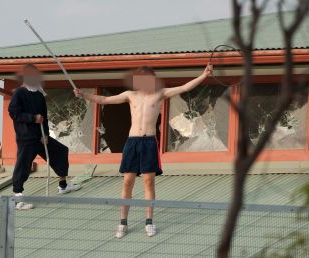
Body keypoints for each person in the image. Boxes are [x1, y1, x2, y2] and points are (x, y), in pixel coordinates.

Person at [74, 64, 213, 238]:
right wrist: (84, 95)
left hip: (149, 142)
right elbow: (104, 100)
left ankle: (149, 222)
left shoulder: (159, 94)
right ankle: (123, 223)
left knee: (149, 182)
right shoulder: (130, 95)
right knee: (127, 182)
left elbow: (184, 87)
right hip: (132, 142)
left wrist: (204, 75)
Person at [9, 64, 81, 210]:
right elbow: (14, 113)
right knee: (23, 165)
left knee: (60, 151)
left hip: (40, 136)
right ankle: (18, 197)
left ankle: (63, 185)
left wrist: (46, 134)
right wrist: (32, 118)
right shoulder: (19, 93)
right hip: (26, 137)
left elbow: (45, 118)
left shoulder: (39, 95)